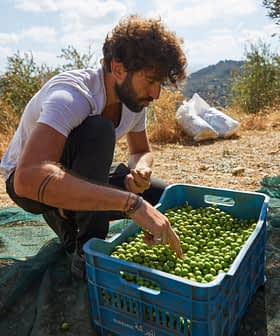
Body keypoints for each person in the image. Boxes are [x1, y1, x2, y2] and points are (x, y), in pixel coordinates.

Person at [0, 14, 187, 279]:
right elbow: (27, 178)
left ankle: (67, 211)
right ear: (118, 69)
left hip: (77, 170)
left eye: (160, 84)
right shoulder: (72, 95)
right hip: (25, 181)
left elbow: (140, 151)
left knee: (163, 196)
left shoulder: (133, 99)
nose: (156, 94)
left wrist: (140, 172)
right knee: (99, 131)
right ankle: (86, 250)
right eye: (150, 81)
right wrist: (132, 204)